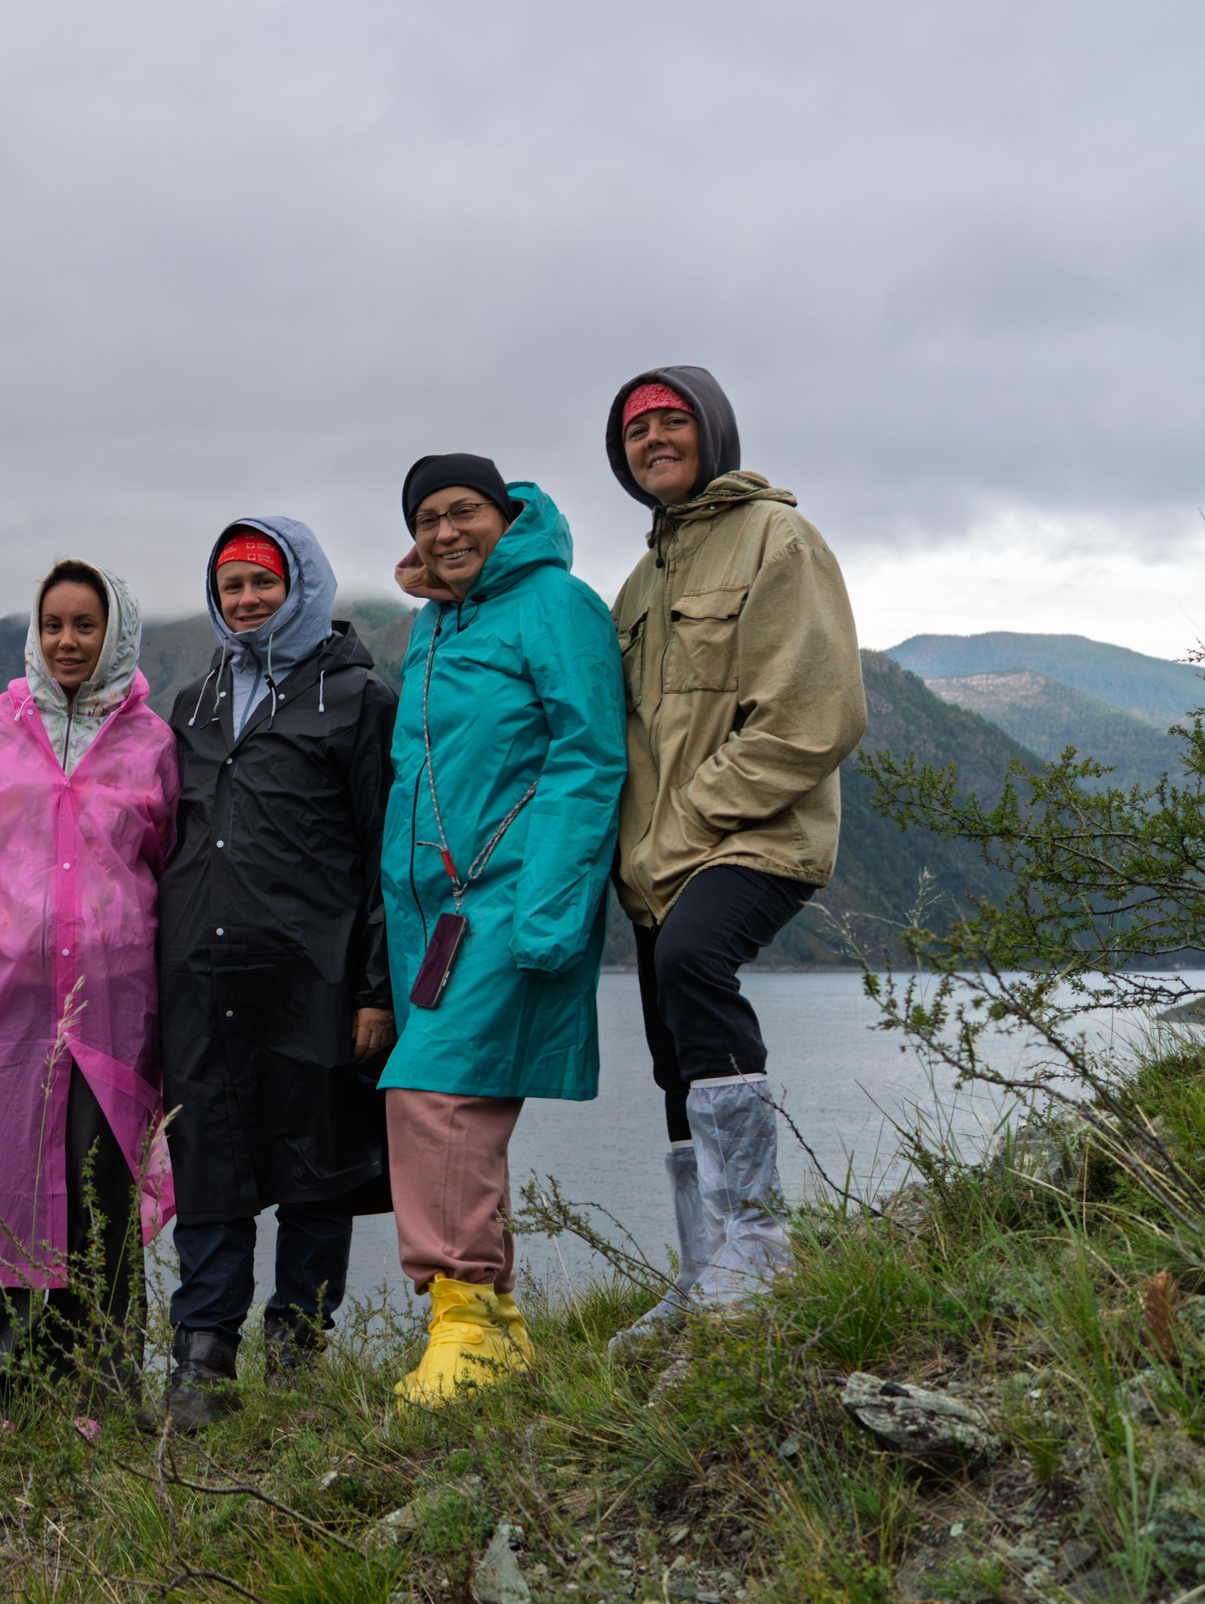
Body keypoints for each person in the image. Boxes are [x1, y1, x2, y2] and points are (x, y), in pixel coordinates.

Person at [603, 369, 865, 1343]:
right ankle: (704, 1266)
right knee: (674, 1043)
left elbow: (816, 713)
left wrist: (692, 817)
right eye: (636, 430)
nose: (654, 439)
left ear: (713, 431)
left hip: (758, 832)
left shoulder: (778, 540)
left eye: (672, 421)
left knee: (692, 964)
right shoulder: (639, 582)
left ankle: (756, 1251)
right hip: (657, 861)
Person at [379, 457, 625, 1405]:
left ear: (505, 513)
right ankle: (494, 1328)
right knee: (458, 1103)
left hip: (514, 897)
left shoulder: (557, 603)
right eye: (428, 519)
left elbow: (589, 754)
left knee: (433, 1095)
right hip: (435, 919)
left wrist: (554, 903)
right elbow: (419, 779)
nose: (446, 532)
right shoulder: (433, 623)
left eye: (464, 512)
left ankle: (468, 1321)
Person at [0, 560, 180, 1432]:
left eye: (86, 626)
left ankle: (98, 1392)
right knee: (0, 1188)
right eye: (55, 625)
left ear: (116, 632)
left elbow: (172, 868)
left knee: (98, 1188)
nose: (69, 642)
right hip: (1, 1008)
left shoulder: (152, 743)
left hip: (115, 1006)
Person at [156, 518, 398, 1431]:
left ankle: (300, 1357)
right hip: (200, 979)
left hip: (315, 978)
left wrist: (374, 988)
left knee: (314, 1173)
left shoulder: (357, 697)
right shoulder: (193, 704)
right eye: (231, 587)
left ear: (302, 585)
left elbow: (381, 851)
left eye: (263, 582)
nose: (246, 600)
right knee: (210, 1171)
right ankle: (201, 1368)